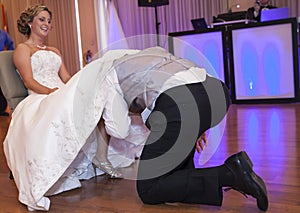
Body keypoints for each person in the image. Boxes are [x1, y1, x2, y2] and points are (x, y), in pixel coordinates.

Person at [3, 4, 137, 211]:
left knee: (99, 93)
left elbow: (66, 78)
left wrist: (79, 87)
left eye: (49, 20)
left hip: (61, 93)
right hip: (40, 97)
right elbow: (29, 81)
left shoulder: (54, 50)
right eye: (42, 19)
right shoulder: (23, 49)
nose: (47, 24)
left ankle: (102, 154)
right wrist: (54, 94)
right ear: (30, 23)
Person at [108, 47, 269, 211]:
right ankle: (188, 178)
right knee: (177, 167)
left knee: (148, 189)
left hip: (182, 104)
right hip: (216, 91)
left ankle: (230, 173)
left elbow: (118, 128)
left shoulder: (110, 77)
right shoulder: (155, 55)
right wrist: (197, 125)